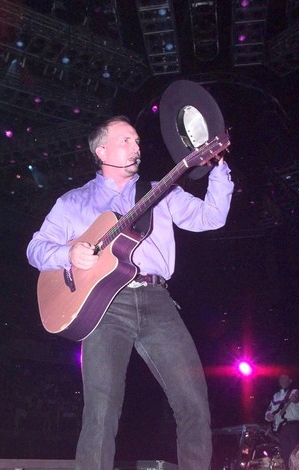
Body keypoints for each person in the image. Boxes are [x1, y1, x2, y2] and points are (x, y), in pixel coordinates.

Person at [26, 112, 234, 469]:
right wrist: (68, 254)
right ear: (101, 150)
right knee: (102, 410)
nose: (135, 145)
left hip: (157, 300)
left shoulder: (160, 191)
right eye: (126, 140)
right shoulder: (72, 202)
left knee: (193, 402)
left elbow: (210, 218)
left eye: (137, 140)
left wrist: (218, 170)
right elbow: (36, 248)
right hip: (103, 307)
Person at [265, 373, 299, 470]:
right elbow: (269, 411)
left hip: (293, 427)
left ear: (290, 381)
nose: (283, 380)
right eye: (281, 378)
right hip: (281, 429)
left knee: (294, 455)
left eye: (285, 378)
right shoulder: (275, 396)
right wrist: (269, 416)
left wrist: (296, 402)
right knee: (285, 456)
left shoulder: (296, 392)